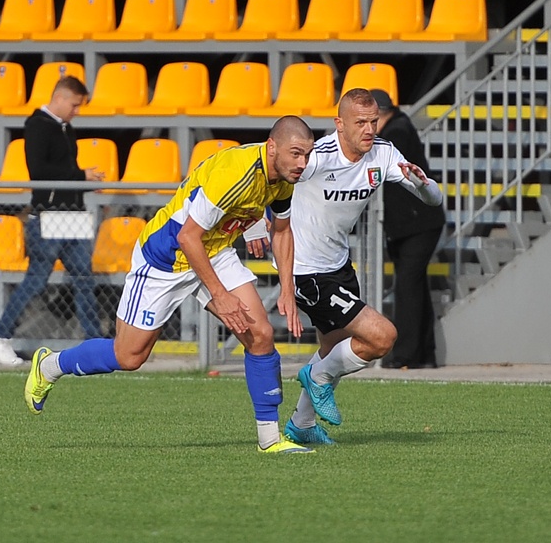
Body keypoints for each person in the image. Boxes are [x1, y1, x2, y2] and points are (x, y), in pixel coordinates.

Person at [23, 116, 317, 454]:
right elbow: (187, 236)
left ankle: (270, 440)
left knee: (261, 335)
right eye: (296, 154)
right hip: (166, 256)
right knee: (129, 356)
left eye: (307, 156)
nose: (302, 163)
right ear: (272, 147)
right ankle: (49, 365)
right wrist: (219, 296)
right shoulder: (236, 173)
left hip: (214, 250)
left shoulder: (282, 176)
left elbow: (281, 230)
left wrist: (286, 289)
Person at [279, 88, 443, 446]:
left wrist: (422, 182)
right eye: (360, 123)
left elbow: (435, 200)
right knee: (382, 337)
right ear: (339, 124)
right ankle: (316, 378)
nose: (369, 129)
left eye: (373, 121)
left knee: (334, 352)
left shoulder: (382, 153)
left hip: (339, 265)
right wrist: (262, 227)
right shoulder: (317, 157)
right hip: (306, 270)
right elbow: (273, 184)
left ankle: (301, 423)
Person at [0, 76, 105, 366]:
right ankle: (0, 338)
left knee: (83, 279)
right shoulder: (38, 125)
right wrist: (81, 177)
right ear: (61, 98)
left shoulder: (65, 127)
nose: (77, 111)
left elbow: (63, 171)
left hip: (71, 214)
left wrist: (83, 182)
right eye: (75, 105)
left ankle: (94, 342)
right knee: (37, 280)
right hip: (50, 214)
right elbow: (39, 171)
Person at [371, 89, 445, 370]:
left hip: (417, 224)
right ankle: (425, 354)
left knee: (407, 287)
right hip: (412, 224)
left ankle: (406, 355)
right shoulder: (398, 126)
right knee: (414, 287)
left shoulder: (396, 132)